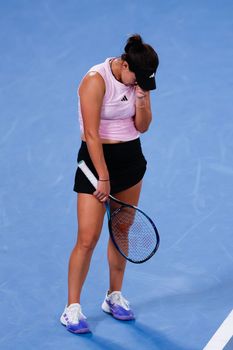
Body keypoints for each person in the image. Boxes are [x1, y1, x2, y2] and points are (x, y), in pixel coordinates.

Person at [60, 34, 159, 334]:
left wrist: (141, 98)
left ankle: (113, 296)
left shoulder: (139, 81)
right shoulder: (95, 79)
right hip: (96, 161)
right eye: (135, 78)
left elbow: (143, 126)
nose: (136, 83)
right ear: (123, 63)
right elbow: (91, 134)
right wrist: (102, 176)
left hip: (130, 161)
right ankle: (72, 308)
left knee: (121, 229)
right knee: (87, 238)